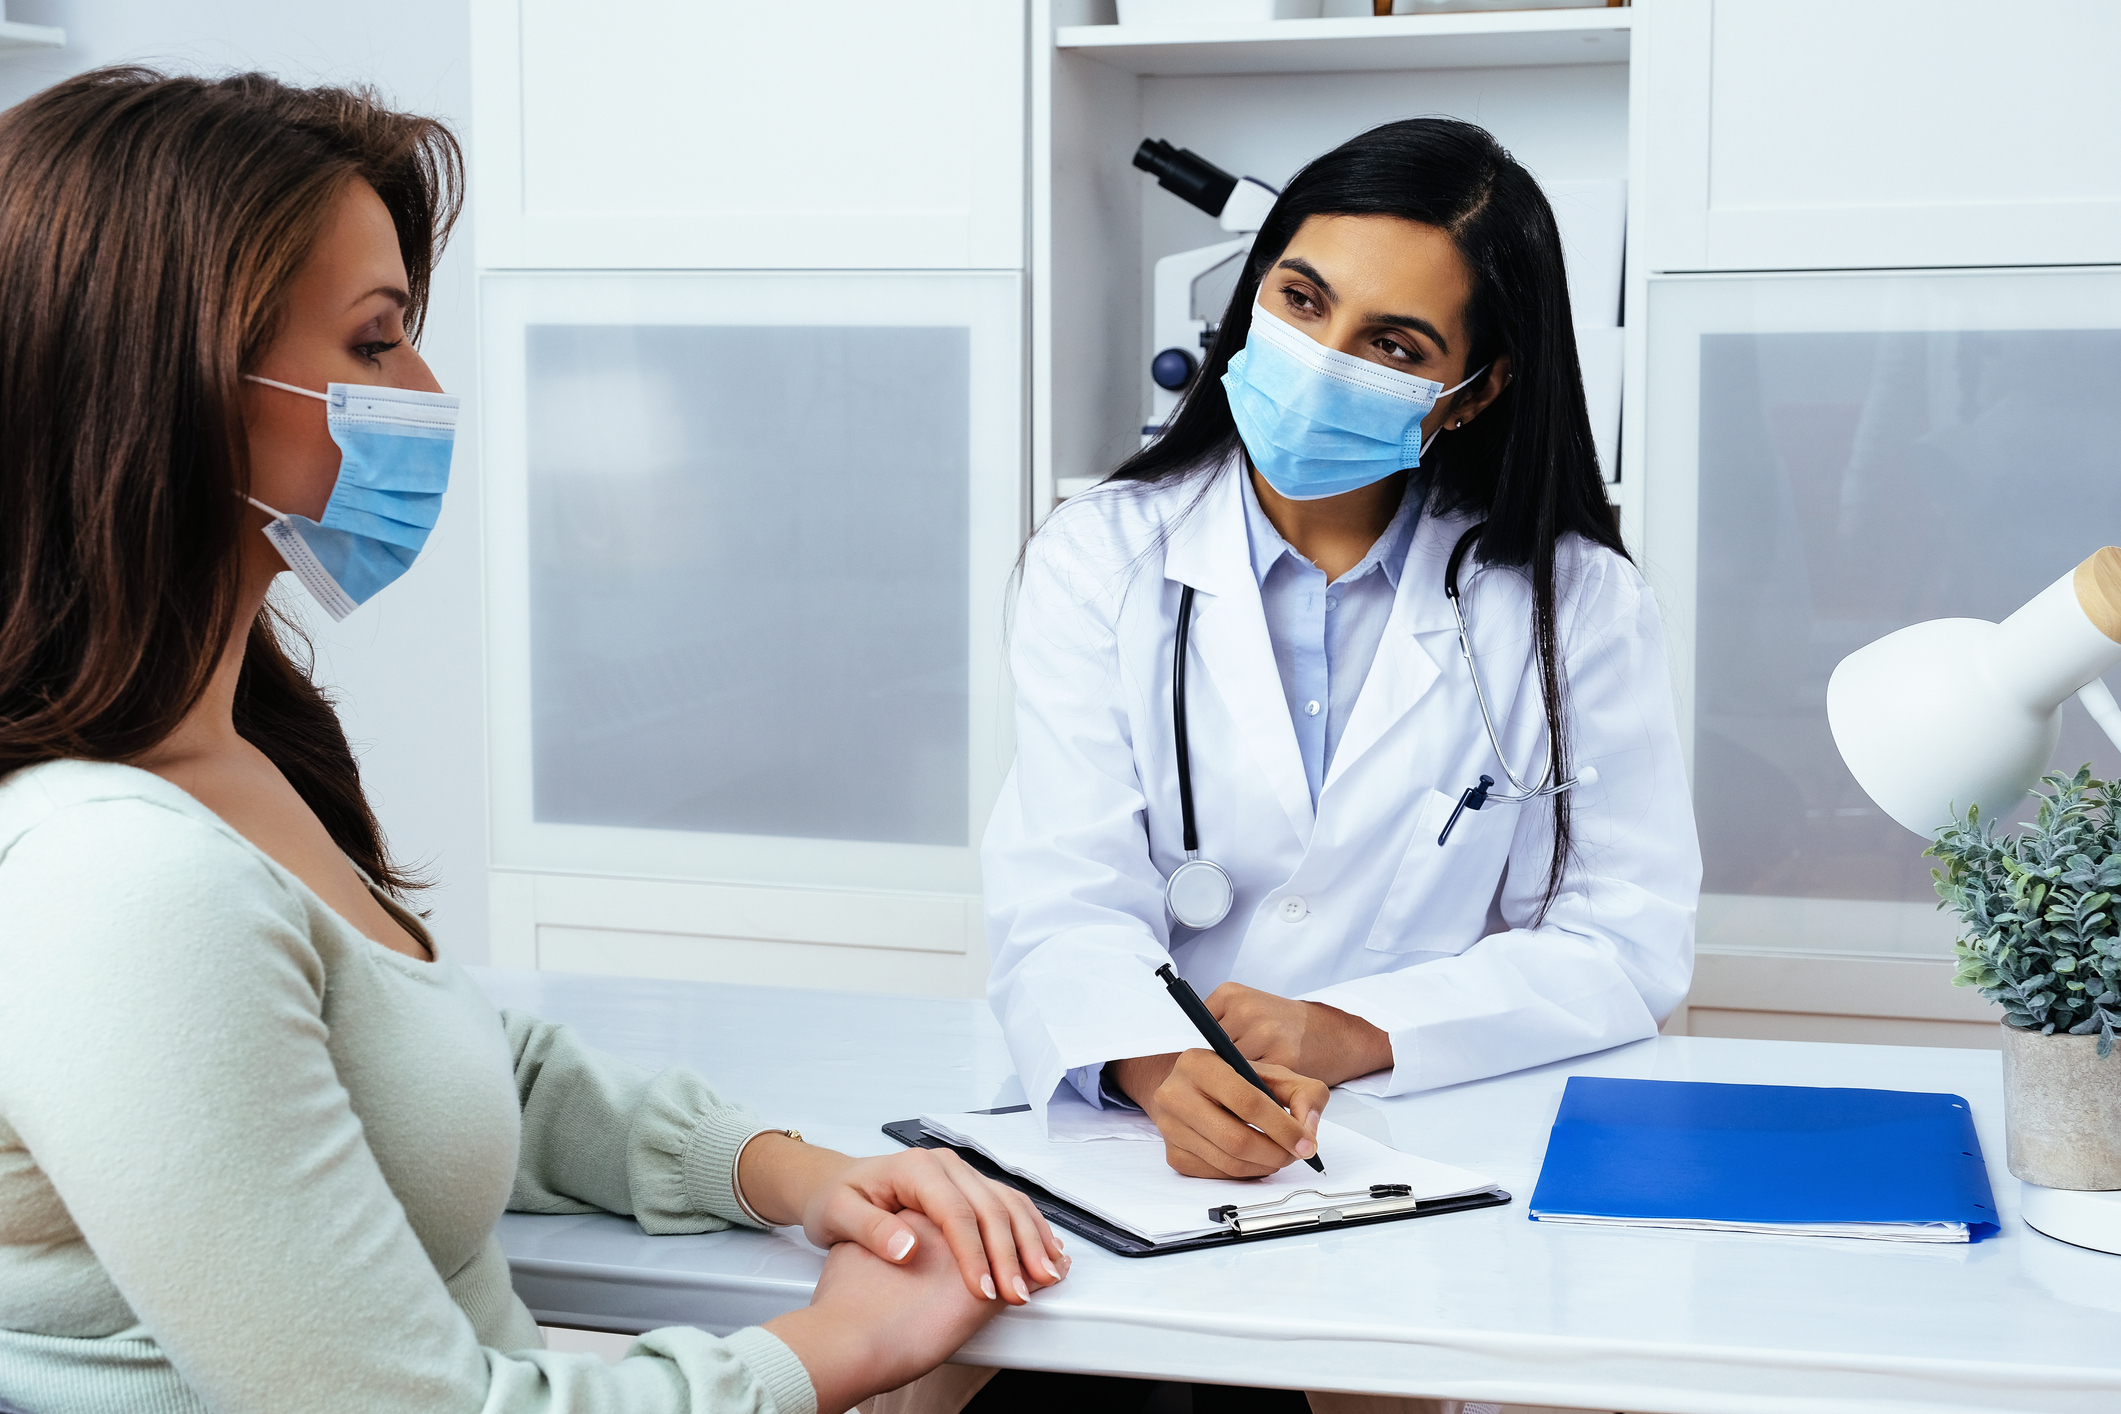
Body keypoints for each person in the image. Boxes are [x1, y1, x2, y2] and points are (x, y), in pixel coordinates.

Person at [0, 67, 1064, 1414]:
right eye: (379, 343)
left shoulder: (229, 753)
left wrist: (791, 1173)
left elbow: (449, 1055)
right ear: (168, 385)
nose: (431, 389)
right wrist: (838, 1346)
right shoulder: (113, 882)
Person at [986, 118, 1700, 1186]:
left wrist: (1351, 1027)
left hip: (1445, 1143)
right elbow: (1062, 894)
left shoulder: (1574, 602)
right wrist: (1156, 1067)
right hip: (1144, 1153)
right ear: (1254, 288)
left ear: (1478, 388)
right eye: (1303, 299)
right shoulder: (1101, 556)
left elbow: (1624, 940)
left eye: (1394, 345)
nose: (1321, 363)